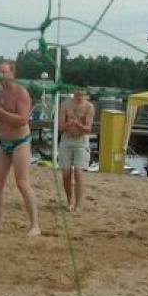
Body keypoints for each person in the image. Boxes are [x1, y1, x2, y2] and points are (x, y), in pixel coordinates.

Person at [0, 61, 40, 235]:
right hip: (3, 142)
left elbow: (22, 120)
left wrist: (0, 113)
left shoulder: (21, 93)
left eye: (4, 72)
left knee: (22, 182)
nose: (0, 76)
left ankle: (35, 225)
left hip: (20, 141)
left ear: (12, 74)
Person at [58, 83, 95, 212]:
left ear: (86, 92)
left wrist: (77, 124)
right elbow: (60, 127)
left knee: (78, 172)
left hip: (81, 140)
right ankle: (69, 201)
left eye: (82, 90)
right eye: (77, 90)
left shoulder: (89, 107)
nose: (80, 93)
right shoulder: (65, 104)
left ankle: (78, 204)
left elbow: (88, 129)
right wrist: (69, 123)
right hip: (66, 139)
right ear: (73, 90)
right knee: (66, 173)